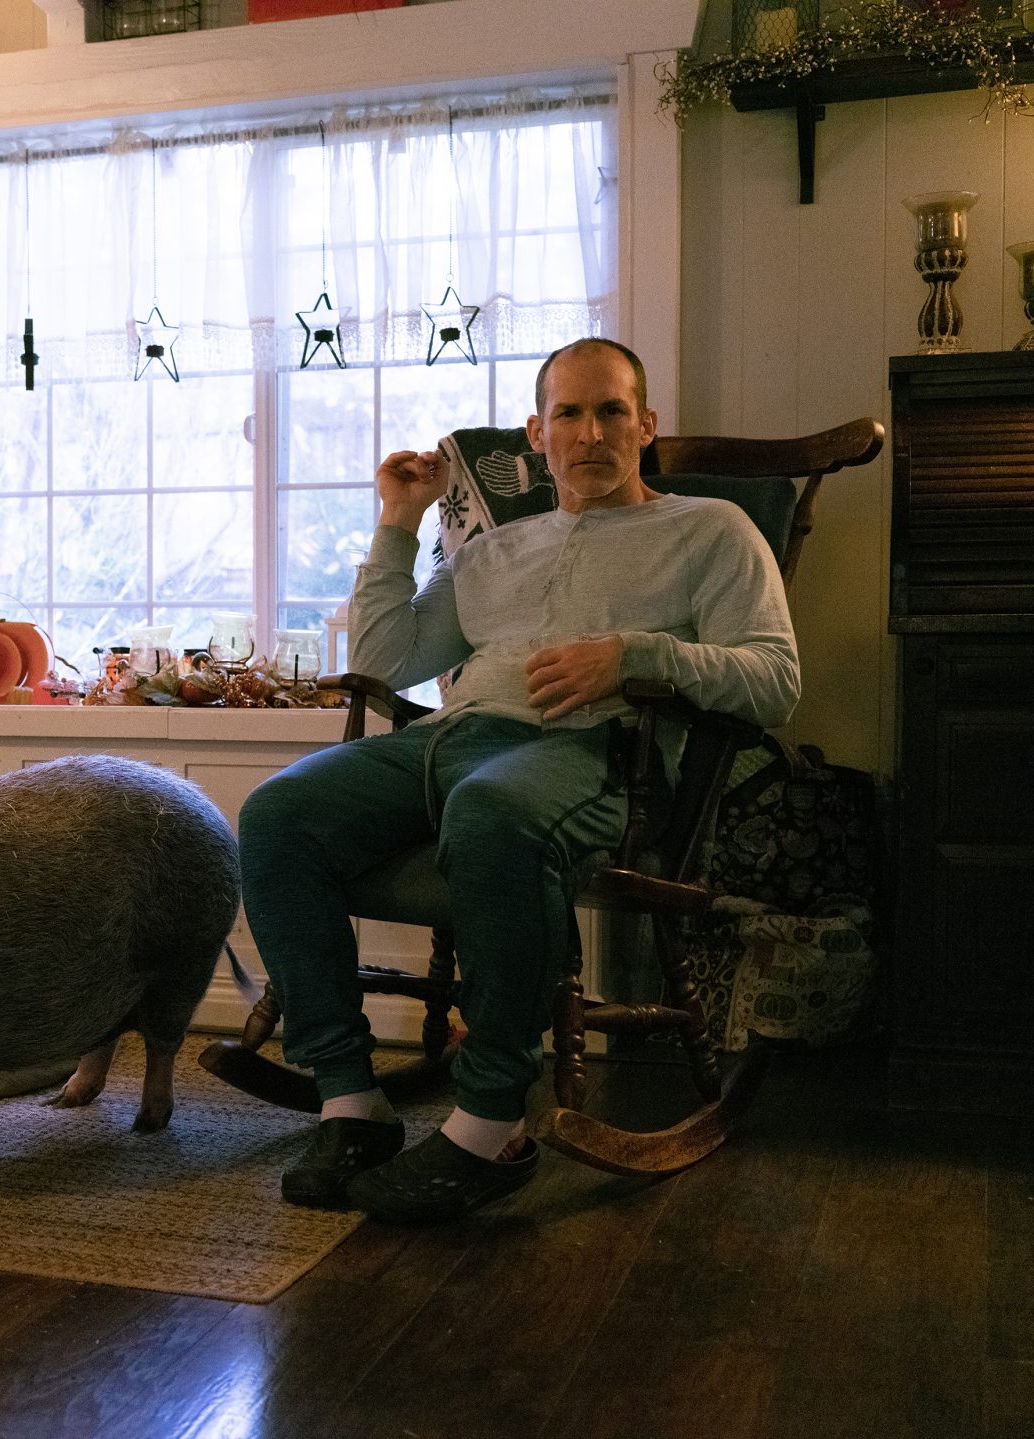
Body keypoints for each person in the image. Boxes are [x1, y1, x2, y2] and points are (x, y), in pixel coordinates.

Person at [237, 338, 799, 1223]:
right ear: (538, 435)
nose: (590, 433)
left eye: (612, 410)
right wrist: (398, 521)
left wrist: (634, 655)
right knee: (279, 812)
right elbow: (387, 658)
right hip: (452, 740)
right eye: (568, 415)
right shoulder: (494, 553)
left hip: (589, 750)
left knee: (493, 811)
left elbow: (775, 678)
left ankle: (493, 1121)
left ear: (646, 425)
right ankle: (351, 1101)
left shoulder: (709, 530)